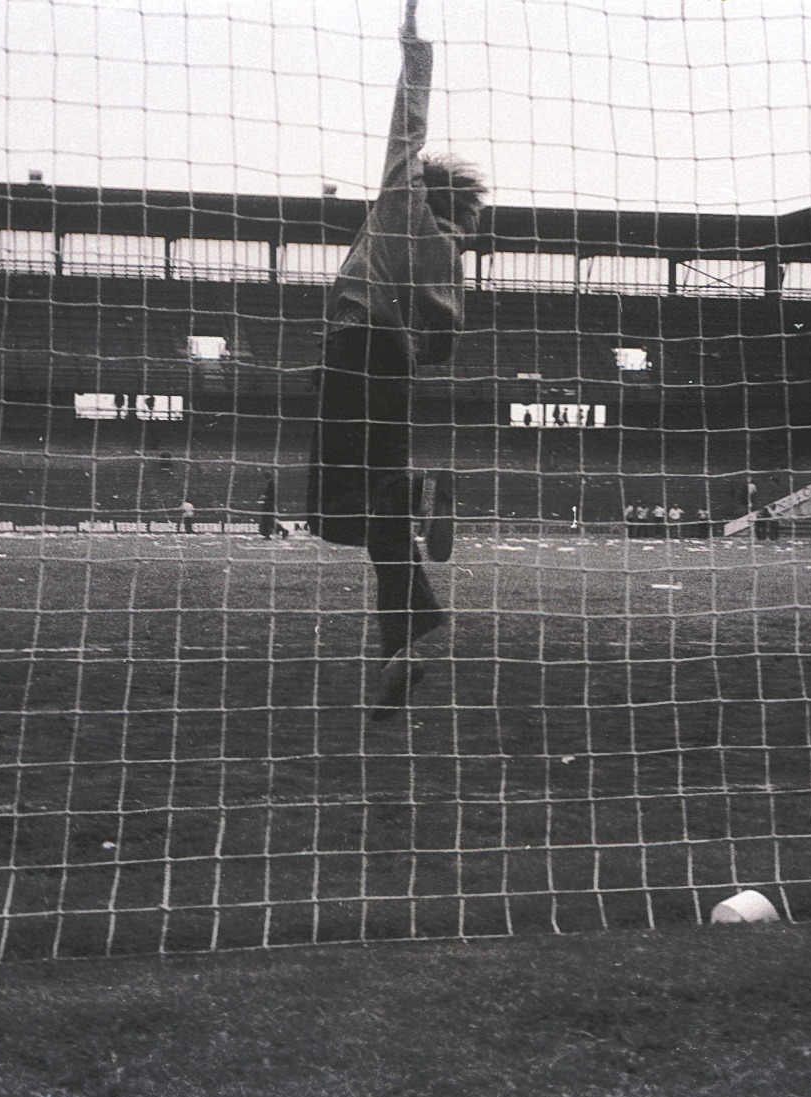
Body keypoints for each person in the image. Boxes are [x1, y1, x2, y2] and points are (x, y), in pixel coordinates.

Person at [306, 0, 485, 718]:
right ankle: (404, 645)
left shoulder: (396, 204)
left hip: (352, 355)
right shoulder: (452, 261)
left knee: (329, 512)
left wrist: (415, 51)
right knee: (378, 527)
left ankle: (414, 490)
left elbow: (406, 125)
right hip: (398, 375)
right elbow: (443, 346)